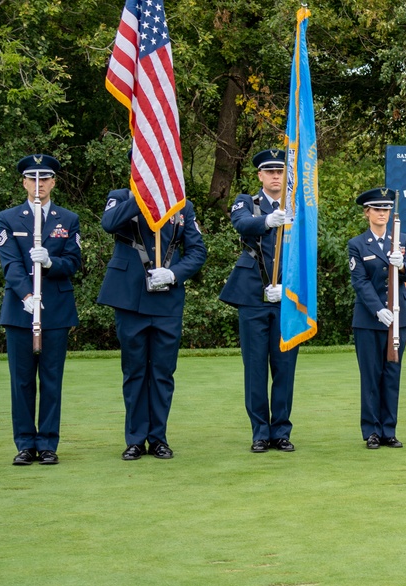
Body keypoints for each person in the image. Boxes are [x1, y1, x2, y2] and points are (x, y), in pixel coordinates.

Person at [97, 182, 207, 461]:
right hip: (129, 297)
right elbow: (109, 224)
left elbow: (197, 252)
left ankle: (158, 438)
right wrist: (141, 196)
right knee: (134, 371)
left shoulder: (182, 205)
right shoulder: (120, 197)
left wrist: (173, 274)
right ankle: (135, 439)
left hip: (166, 299)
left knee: (162, 372)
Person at [0, 154, 82, 465]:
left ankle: (47, 443)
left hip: (56, 309)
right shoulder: (9, 217)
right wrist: (27, 295)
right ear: (23, 182)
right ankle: (24, 443)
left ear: (53, 182)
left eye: (44, 179)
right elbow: (11, 263)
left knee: (51, 379)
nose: (38, 184)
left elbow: (74, 262)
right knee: (21, 381)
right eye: (32, 179)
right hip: (20, 310)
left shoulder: (67, 219)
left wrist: (50, 262)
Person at [219, 149, 299, 453]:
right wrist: (268, 220)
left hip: (287, 297)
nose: (275, 176)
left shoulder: (297, 207)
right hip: (253, 293)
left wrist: (289, 287)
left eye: (280, 171)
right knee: (255, 367)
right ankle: (260, 433)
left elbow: (304, 249)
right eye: (270, 172)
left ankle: (281, 431)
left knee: (284, 366)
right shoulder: (247, 202)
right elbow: (241, 223)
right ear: (260, 176)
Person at [347, 187, 406, 449]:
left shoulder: (402, 240)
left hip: (399, 318)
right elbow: (360, 281)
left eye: (386, 209)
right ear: (367, 212)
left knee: (391, 374)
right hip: (368, 319)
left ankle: (389, 430)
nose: (382, 214)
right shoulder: (357, 244)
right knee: (371, 375)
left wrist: (400, 263)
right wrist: (378, 309)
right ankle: (372, 431)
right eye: (377, 209)